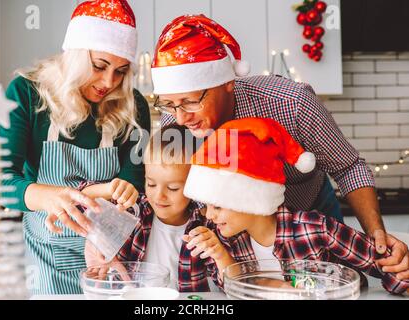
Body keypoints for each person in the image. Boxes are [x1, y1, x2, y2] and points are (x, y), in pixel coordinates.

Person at [151, 14, 409, 279]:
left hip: (312, 214)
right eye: (170, 104)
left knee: (338, 283)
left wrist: (376, 234)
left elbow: (348, 167)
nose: (181, 117)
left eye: (191, 101)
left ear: (227, 83)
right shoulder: (176, 124)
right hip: (235, 231)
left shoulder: (291, 103)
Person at [0, 0, 150, 294]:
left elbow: (135, 181)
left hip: (108, 254)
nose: (109, 82)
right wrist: (50, 197)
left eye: (120, 71)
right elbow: (1, 181)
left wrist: (116, 205)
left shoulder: (133, 105)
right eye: (99, 66)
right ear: (76, 55)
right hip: (47, 258)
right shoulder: (26, 94)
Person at [183, 117, 409, 295]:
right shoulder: (225, 240)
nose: (209, 216)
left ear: (250, 198)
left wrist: (399, 275)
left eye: (218, 207)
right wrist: (220, 256)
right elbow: (230, 290)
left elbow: (389, 269)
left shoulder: (316, 228)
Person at [82, 125, 229, 292]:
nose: (159, 196)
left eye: (173, 188)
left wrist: (220, 255)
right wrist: (109, 189)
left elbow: (229, 286)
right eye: (151, 184)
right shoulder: (133, 212)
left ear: (195, 186)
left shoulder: (206, 227)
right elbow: (79, 200)